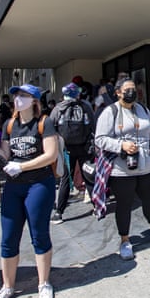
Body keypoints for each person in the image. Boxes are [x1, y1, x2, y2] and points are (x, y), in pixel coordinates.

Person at [0, 84, 59, 298]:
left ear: (34, 100)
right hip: (13, 188)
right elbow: (5, 154)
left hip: (39, 184)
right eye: (16, 95)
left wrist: (23, 167)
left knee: (39, 234)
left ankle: (43, 283)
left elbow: (50, 155)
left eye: (23, 96)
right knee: (8, 238)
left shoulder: (43, 123)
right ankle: (7, 287)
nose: (17, 99)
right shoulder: (9, 125)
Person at [92, 77, 150, 260]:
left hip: (145, 166)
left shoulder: (143, 110)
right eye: (127, 89)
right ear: (118, 92)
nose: (131, 92)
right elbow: (100, 139)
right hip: (122, 170)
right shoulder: (109, 112)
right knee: (124, 205)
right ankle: (125, 241)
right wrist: (121, 146)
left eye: (133, 89)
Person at [50, 82, 96, 224]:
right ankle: (97, 206)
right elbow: (93, 125)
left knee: (65, 179)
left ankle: (59, 212)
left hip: (66, 149)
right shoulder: (85, 106)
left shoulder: (58, 108)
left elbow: (51, 127)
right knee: (88, 176)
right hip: (84, 148)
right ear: (77, 94)